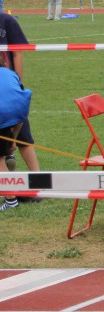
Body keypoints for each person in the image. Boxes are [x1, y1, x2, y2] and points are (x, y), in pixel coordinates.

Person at [0, 10, 42, 196]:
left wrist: (17, 82)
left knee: (24, 137)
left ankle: (38, 182)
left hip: (7, 86)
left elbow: (17, 53)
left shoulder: (6, 20)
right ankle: (9, 182)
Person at [0, 66, 31, 211]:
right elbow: (21, 111)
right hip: (18, 110)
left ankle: (11, 200)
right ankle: (8, 156)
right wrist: (13, 140)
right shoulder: (10, 73)